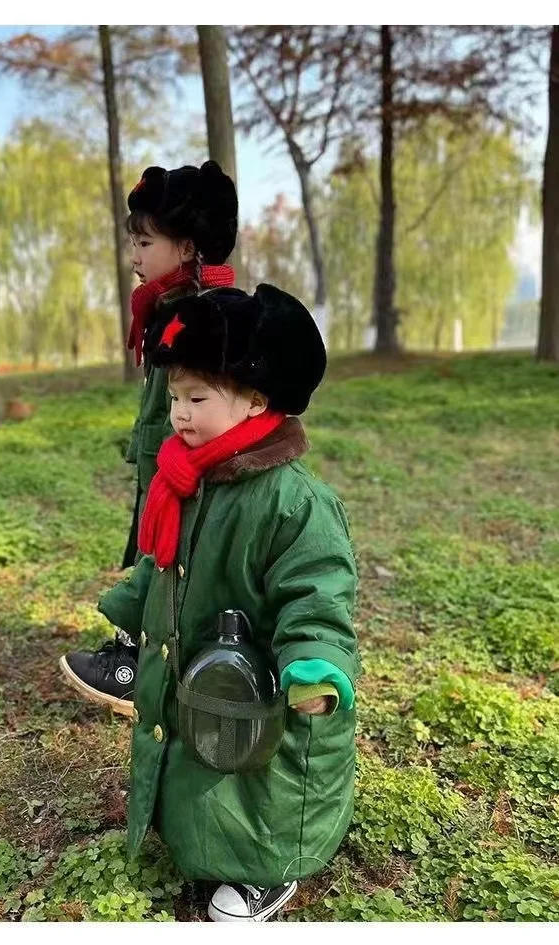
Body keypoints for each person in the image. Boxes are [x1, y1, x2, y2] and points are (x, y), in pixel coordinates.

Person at [95, 285, 360, 921]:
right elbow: (166, 566)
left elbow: (316, 591)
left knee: (257, 778)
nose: (179, 414)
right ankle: (193, 836)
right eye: (175, 397)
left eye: (197, 399)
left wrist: (316, 664)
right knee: (204, 756)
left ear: (256, 400)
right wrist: (131, 602)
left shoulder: (292, 503)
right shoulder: (189, 477)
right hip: (208, 682)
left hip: (268, 692)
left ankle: (269, 870)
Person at [59, 161, 238, 715]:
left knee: (166, 557)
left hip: (183, 470)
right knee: (153, 550)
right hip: (160, 465)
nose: (134, 256)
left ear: (185, 247)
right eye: (132, 242)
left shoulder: (202, 317)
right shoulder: (164, 310)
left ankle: (138, 664)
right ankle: (151, 656)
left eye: (144, 242)